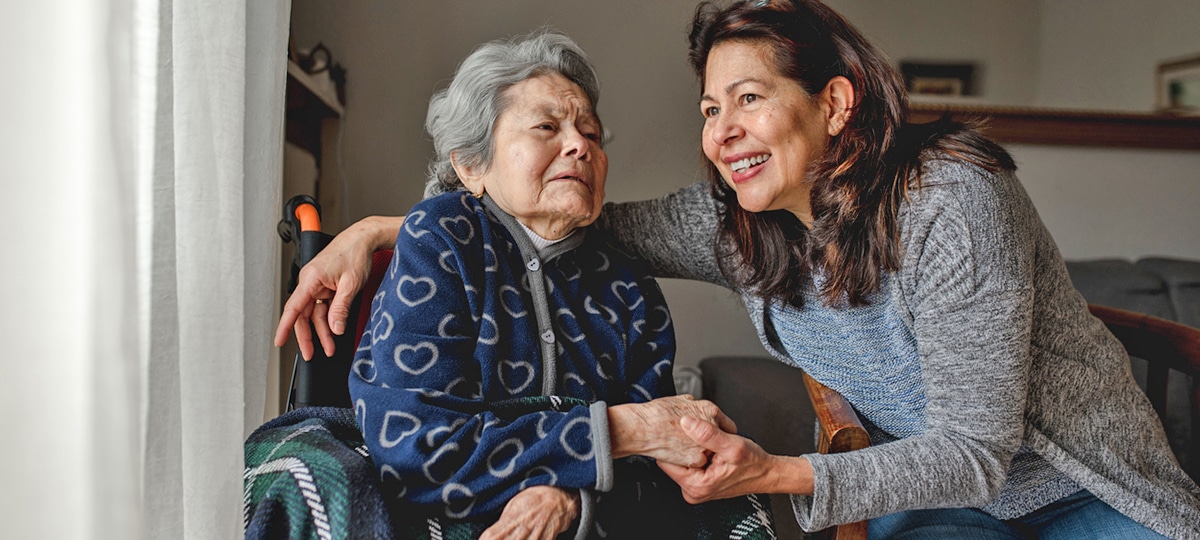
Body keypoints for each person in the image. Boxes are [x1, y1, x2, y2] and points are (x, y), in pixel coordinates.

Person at [276, 1, 1200, 539]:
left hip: (1076, 487)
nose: (720, 132)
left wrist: (777, 472)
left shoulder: (953, 200)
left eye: (749, 99)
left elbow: (975, 452)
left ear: (835, 103)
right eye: (712, 107)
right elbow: (563, 217)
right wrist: (391, 227)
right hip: (938, 502)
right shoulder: (734, 225)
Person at [306, 29, 772, 540]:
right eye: (547, 127)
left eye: (591, 135)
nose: (579, 146)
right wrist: (622, 430)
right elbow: (419, 444)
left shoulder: (631, 285)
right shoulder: (442, 239)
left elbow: (655, 459)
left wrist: (569, 494)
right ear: (471, 165)